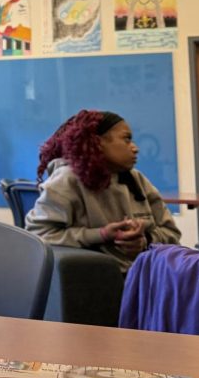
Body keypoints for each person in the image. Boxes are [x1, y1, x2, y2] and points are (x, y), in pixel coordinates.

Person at [24, 110, 181, 272]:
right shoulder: (67, 180)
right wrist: (101, 234)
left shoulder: (136, 179)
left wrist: (146, 240)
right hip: (95, 281)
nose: (135, 148)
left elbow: (172, 233)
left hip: (145, 275)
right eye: (126, 139)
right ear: (97, 142)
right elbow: (39, 235)